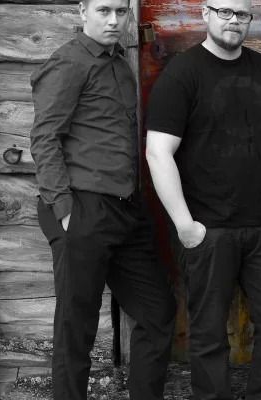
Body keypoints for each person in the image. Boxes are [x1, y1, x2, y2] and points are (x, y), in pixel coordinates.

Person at [144, 0, 261, 398]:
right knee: (209, 332)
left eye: (242, 14)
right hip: (208, 230)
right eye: (225, 12)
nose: (234, 21)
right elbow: (158, 152)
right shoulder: (182, 73)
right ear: (206, 14)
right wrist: (185, 225)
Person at [29, 0, 176, 398]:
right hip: (83, 206)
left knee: (157, 311)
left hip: (125, 209)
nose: (114, 21)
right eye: (103, 10)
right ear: (83, 11)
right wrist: (64, 211)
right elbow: (44, 138)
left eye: (121, 12)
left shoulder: (119, 63)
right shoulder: (69, 62)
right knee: (76, 328)